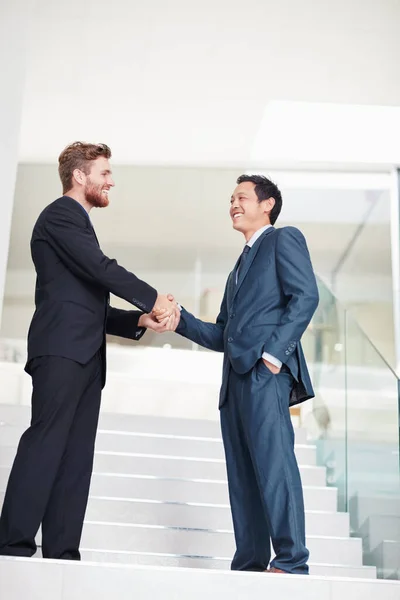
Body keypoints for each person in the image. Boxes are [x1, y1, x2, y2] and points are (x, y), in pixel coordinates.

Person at [0, 141, 178, 560]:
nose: (110, 180)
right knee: (45, 444)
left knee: (76, 458)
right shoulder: (61, 215)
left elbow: (87, 301)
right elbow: (101, 269)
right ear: (79, 176)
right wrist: (153, 298)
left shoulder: (77, 224)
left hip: (83, 355)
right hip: (60, 351)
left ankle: (62, 552)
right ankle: (12, 544)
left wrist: (138, 321)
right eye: (104, 173)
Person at [168, 174, 319, 574]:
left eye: (242, 197)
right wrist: (178, 319)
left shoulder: (282, 239)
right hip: (234, 383)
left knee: (274, 465)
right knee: (243, 476)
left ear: (267, 204)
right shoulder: (238, 268)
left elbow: (306, 296)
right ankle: (250, 562)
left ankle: (291, 560)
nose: (233, 204)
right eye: (231, 199)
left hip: (265, 375)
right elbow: (222, 332)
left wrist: (273, 355)